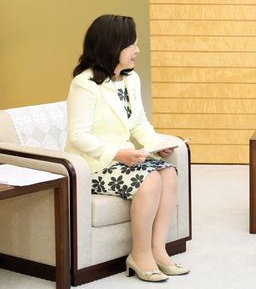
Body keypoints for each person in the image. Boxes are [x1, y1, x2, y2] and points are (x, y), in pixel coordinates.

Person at [65, 14, 189, 282]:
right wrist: (119, 153)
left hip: (122, 160)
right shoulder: (84, 84)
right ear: (113, 45)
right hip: (94, 165)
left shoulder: (131, 79)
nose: (137, 51)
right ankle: (140, 254)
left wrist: (156, 144)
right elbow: (78, 136)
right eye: (132, 44)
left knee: (168, 173)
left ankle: (158, 249)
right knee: (150, 178)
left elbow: (139, 124)